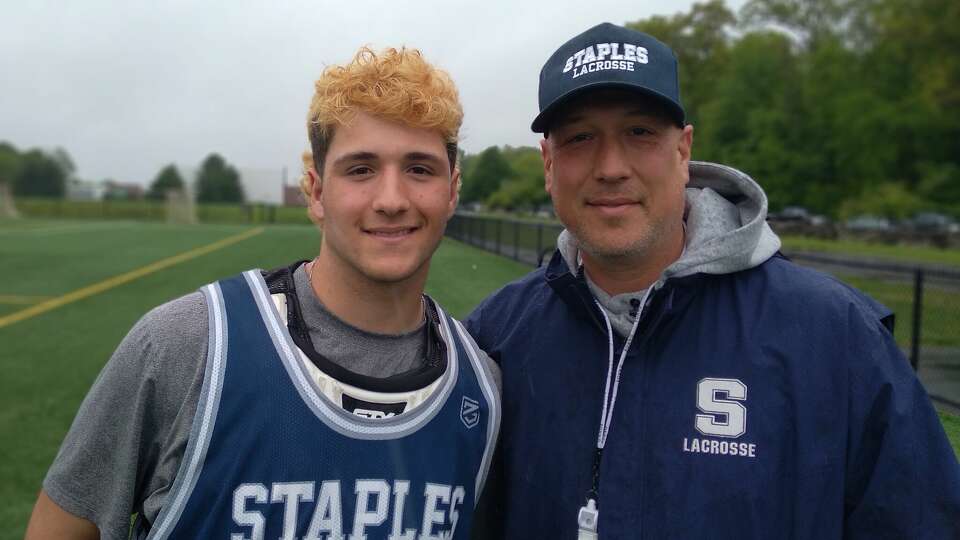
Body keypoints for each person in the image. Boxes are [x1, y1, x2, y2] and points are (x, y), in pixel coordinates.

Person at [465, 22, 960, 539]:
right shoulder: (498, 338)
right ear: (548, 164)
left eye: (640, 133)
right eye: (580, 137)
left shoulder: (835, 337)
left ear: (683, 152)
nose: (610, 167)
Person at [26, 46, 500, 540]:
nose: (391, 200)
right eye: (360, 169)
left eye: (419, 169)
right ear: (316, 192)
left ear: (453, 190)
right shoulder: (185, 345)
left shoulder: (482, 390)